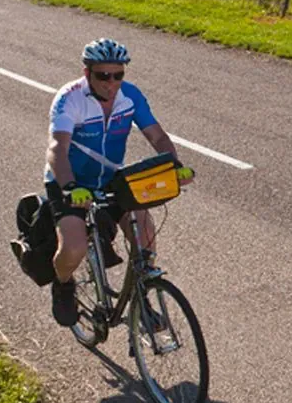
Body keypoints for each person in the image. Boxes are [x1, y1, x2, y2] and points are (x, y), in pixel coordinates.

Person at [45, 38, 194, 326]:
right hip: (70, 182)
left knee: (145, 236)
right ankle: (62, 284)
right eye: (103, 75)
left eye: (118, 75)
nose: (111, 83)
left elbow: (157, 137)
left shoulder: (130, 97)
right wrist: (70, 187)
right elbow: (57, 148)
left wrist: (174, 166)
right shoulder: (70, 98)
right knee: (73, 248)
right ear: (87, 73)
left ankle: (141, 297)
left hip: (110, 178)